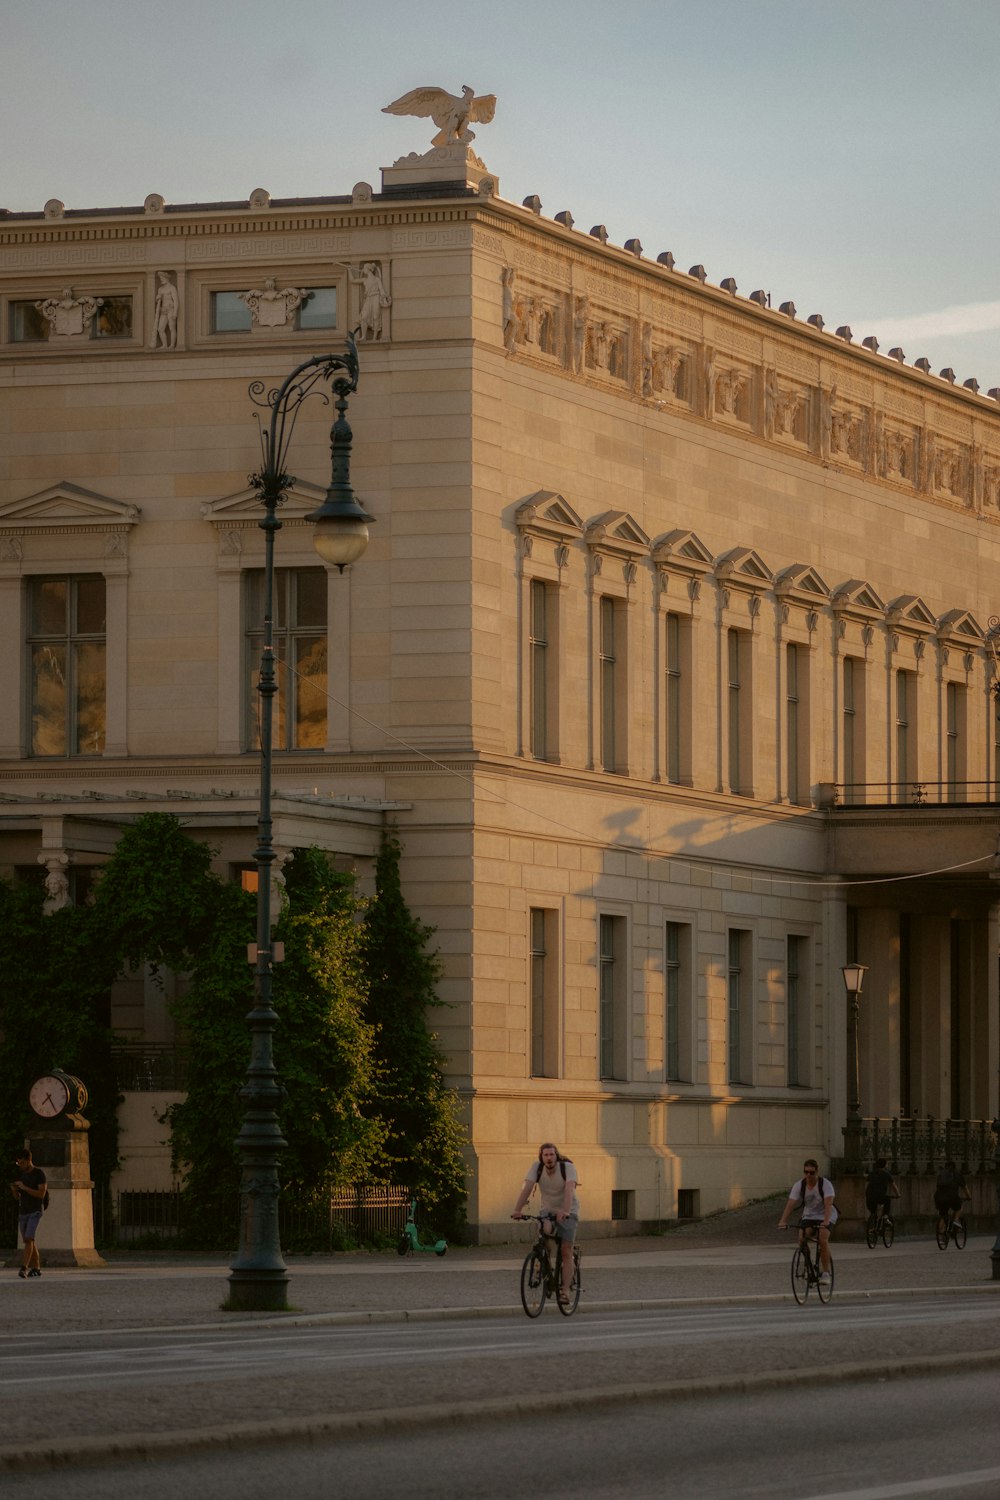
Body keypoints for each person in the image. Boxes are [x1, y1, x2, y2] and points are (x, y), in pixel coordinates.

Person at [512, 1142, 579, 1305]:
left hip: (568, 1211)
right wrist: (517, 1209)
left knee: (565, 1250)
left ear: (556, 1156)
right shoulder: (537, 1168)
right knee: (543, 1236)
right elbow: (527, 1188)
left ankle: (564, 1291)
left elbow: (569, 1189)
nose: (549, 1158)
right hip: (547, 1211)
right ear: (541, 1157)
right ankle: (541, 1268)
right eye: (545, 1155)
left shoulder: (567, 1167)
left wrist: (565, 1211)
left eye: (552, 1155)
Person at [777, 1158, 836, 1282]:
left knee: (822, 1239)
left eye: (811, 1173)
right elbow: (791, 1204)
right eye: (806, 1172)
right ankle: (810, 1266)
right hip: (809, 1215)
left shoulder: (825, 1184)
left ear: (817, 1172)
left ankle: (826, 1273)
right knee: (801, 1240)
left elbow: (828, 1204)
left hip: (826, 1214)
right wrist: (783, 1220)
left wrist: (825, 1221)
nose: (808, 1175)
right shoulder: (799, 1185)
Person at [11, 1147, 46, 1279]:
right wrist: (14, 1190)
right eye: (18, 1163)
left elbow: (41, 1194)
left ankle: (23, 1267)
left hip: (34, 1211)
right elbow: (18, 1197)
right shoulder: (22, 1175)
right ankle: (36, 1268)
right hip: (23, 1211)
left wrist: (25, 1187)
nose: (20, 1165)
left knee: (28, 1239)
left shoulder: (39, 1174)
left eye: (22, 1163)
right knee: (30, 1240)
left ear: (29, 1160)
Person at [934, 1159, 968, 1235]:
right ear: (954, 1167)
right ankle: (956, 1220)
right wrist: (969, 1197)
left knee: (943, 1215)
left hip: (939, 1198)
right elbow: (965, 1188)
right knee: (959, 1207)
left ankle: (941, 1234)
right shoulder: (957, 1174)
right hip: (952, 1198)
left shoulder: (941, 1175)